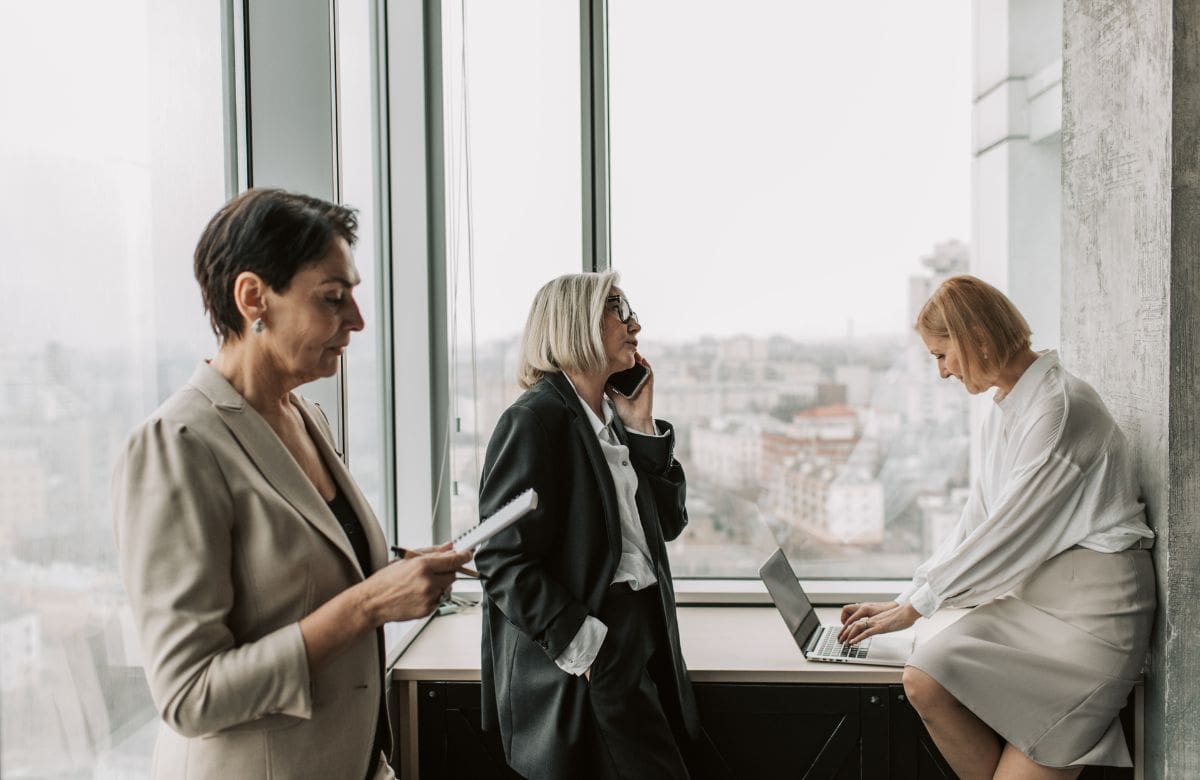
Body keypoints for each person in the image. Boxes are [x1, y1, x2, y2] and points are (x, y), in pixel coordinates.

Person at [112, 188, 473, 780]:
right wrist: (368, 605)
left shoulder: (307, 417)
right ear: (253, 297)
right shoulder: (177, 445)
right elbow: (189, 696)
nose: (356, 321)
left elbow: (302, 569)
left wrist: (403, 565)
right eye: (334, 299)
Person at [838, 275, 1155, 779]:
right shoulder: (1009, 410)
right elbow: (977, 520)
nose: (942, 372)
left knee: (929, 671)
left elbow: (1008, 537)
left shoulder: (1059, 411)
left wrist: (918, 609)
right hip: (1035, 605)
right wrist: (910, 597)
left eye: (942, 355)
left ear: (977, 340)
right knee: (924, 680)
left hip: (1089, 623)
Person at [474, 271, 709, 780]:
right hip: (594, 646)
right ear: (575, 322)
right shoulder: (535, 420)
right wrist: (589, 648)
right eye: (619, 311)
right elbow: (499, 557)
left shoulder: (607, 417)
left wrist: (642, 428)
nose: (636, 324)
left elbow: (668, 524)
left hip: (640, 633)